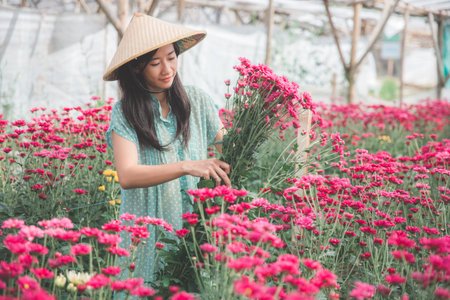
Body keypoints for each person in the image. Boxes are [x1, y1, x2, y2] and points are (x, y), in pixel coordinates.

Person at [104, 13, 231, 286]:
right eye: (155, 63)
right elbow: (127, 175)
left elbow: (228, 147)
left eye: (171, 58)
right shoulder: (125, 113)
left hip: (194, 232)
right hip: (145, 233)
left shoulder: (196, 101)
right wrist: (187, 166)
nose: (167, 69)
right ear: (137, 68)